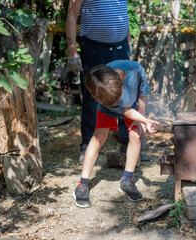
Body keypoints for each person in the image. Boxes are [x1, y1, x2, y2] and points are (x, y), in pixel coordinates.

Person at [72, 60, 159, 208]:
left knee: (135, 135)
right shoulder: (103, 90)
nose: (119, 99)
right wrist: (144, 120)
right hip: (119, 108)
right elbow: (124, 111)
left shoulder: (136, 70)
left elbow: (143, 94)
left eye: (119, 96)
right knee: (99, 136)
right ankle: (82, 184)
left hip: (132, 106)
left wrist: (142, 118)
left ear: (120, 84)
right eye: (116, 100)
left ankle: (127, 181)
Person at [66, 0, 132, 164]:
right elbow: (72, 13)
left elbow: (122, 13)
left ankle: (127, 144)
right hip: (95, 49)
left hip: (121, 48)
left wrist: (129, 44)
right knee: (91, 96)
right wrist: (72, 51)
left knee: (125, 95)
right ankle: (87, 144)